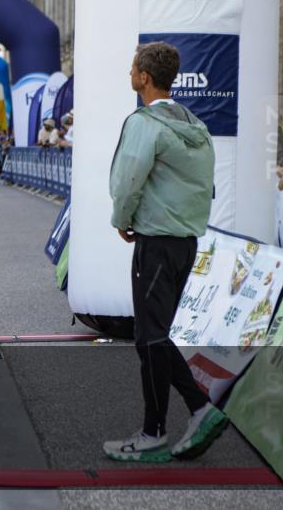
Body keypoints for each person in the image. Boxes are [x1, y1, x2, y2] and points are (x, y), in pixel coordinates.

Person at [105, 41, 225, 463]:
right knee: (155, 335)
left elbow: (128, 179)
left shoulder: (143, 123)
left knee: (150, 336)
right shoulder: (194, 123)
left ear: (143, 77)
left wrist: (122, 218)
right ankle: (188, 415)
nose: (129, 73)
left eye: (132, 67)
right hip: (186, 242)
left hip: (155, 242)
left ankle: (174, 422)